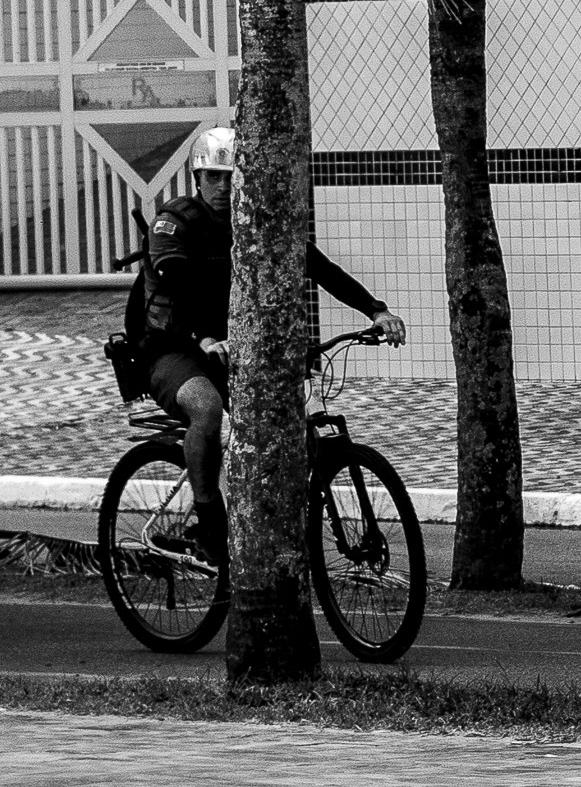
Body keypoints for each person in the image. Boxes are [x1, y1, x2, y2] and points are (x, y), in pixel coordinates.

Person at [120, 127, 406, 559]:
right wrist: (204, 336)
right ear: (198, 178)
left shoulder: (258, 226)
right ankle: (210, 521)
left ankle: (273, 525)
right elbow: (175, 279)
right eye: (214, 177)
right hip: (171, 347)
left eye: (233, 177)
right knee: (206, 406)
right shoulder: (175, 221)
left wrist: (375, 310)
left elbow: (318, 267)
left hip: (235, 347)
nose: (223, 187)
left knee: (287, 420)